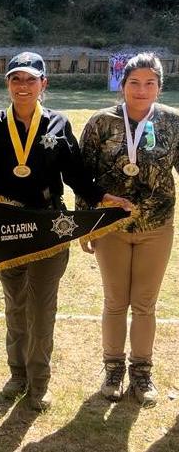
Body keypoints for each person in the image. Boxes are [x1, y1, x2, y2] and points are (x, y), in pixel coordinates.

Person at [0, 51, 130, 411]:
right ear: (8, 84)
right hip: (7, 230)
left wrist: (100, 196)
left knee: (42, 308)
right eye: (16, 79)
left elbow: (76, 175)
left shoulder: (59, 124)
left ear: (43, 84)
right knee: (15, 305)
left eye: (31, 79)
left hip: (49, 228)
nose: (23, 86)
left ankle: (39, 382)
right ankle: (17, 374)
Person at [77, 52, 179, 406]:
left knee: (145, 305)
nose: (141, 89)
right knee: (115, 302)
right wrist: (84, 225)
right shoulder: (100, 123)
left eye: (149, 83)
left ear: (159, 87)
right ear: (123, 85)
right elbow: (81, 177)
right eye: (134, 82)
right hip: (111, 227)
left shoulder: (172, 122)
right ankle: (113, 369)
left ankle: (142, 371)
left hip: (157, 225)